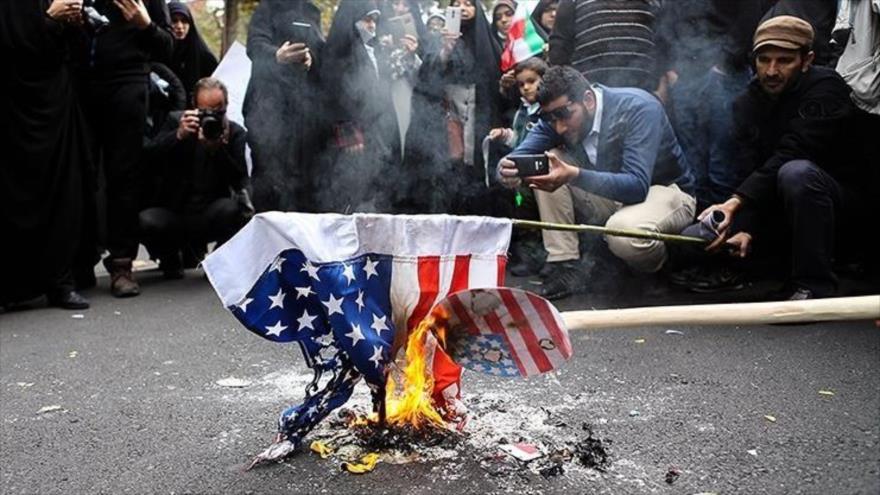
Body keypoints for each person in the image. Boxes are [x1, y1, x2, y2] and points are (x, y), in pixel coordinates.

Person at [699, 16, 868, 300]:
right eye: (764, 60)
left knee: (796, 173)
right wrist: (746, 228)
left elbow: (795, 151)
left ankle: (812, 286)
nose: (771, 71)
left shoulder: (826, 88)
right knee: (699, 235)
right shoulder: (748, 101)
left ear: (807, 60)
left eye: (784, 61)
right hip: (781, 207)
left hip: (845, 207)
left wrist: (736, 202)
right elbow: (750, 169)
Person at [498, 66, 696, 300]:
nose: (559, 127)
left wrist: (573, 175)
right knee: (549, 162)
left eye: (564, 115)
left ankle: (658, 267)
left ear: (589, 100)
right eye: (550, 118)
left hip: (664, 191)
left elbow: (636, 186)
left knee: (626, 234)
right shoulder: (555, 117)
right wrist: (507, 169)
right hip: (613, 197)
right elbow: (517, 158)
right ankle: (566, 265)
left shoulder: (638, 107)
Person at [0, 0, 92, 310]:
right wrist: (49, 19)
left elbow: (80, 55)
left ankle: (60, 282)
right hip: (14, 107)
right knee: (13, 193)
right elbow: (11, 42)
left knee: (64, 192)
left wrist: (76, 23)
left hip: (56, 102)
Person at [78, 0, 173, 298]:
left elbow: (168, 46)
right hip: (79, 85)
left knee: (124, 177)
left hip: (127, 86)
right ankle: (79, 261)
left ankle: (122, 265)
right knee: (80, 174)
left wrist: (145, 23)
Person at [139, 78, 252, 278]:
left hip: (210, 212)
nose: (211, 117)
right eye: (205, 111)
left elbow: (240, 180)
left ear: (226, 106)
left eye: (218, 110)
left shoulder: (234, 132)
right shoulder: (177, 121)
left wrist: (217, 151)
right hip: (176, 211)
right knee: (147, 220)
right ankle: (169, 256)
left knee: (233, 210)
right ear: (194, 107)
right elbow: (148, 158)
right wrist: (178, 136)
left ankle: (219, 259)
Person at [403, 0, 502, 213]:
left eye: (468, 3)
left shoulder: (489, 42)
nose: (463, 8)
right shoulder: (437, 40)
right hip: (446, 117)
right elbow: (425, 80)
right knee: (446, 175)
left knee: (477, 177)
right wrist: (445, 51)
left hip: (479, 117)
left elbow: (495, 83)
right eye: (457, 3)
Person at [244, 0, 325, 212]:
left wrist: (310, 59)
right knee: (268, 181)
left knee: (300, 182)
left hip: (302, 113)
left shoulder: (312, 11)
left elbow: (320, 50)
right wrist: (277, 55)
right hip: (267, 111)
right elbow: (254, 45)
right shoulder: (267, 8)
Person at [549, 0, 664, 91]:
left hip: (643, 93)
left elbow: (663, 47)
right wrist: (575, 93)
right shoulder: (572, 2)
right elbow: (558, 52)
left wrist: (660, 90)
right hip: (594, 97)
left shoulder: (651, 3)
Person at [167, 1, 218, 103]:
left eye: (184, 21)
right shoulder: (158, 52)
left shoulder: (203, 55)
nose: (180, 26)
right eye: (174, 21)